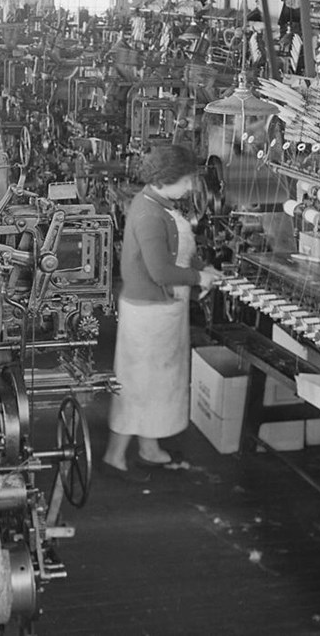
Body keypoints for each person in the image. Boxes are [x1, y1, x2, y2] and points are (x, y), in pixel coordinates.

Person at [103, 144, 222, 480]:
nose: (190, 188)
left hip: (163, 310)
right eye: (186, 181)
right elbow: (160, 272)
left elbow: (177, 256)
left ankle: (148, 447)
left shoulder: (159, 204)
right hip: (149, 316)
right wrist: (200, 277)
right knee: (139, 386)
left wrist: (203, 268)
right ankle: (114, 456)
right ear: (169, 179)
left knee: (156, 386)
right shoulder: (148, 214)